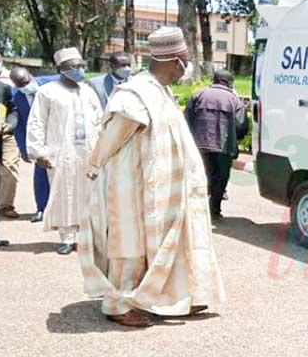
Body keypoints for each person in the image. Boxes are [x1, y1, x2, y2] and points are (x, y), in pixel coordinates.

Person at [79, 27, 225, 327]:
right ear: (176, 60)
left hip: (164, 190)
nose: (188, 65)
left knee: (169, 244)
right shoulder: (135, 94)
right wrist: (94, 171)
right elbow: (109, 141)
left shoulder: (162, 91)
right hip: (130, 187)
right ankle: (117, 305)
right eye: (186, 58)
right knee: (129, 246)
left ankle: (167, 297)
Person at [27, 47, 102, 255]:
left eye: (81, 65)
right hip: (61, 151)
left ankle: (89, 238)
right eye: (74, 66)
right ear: (62, 69)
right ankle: (67, 238)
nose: (79, 69)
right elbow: (36, 123)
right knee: (64, 193)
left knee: (91, 194)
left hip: (89, 150)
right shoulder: (48, 91)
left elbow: (100, 120)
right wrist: (38, 152)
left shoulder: (88, 91)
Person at [185, 69, 248, 220]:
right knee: (221, 177)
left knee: (198, 175)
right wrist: (236, 139)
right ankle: (214, 210)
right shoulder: (234, 100)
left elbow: (186, 119)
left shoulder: (198, 94)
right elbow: (241, 126)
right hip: (223, 146)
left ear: (213, 79)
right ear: (230, 83)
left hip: (198, 144)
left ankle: (193, 209)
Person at [9, 67, 59, 223]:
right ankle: (42, 209)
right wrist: (24, 149)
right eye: (20, 85)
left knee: (65, 175)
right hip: (39, 141)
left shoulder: (54, 82)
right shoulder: (17, 96)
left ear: (31, 76)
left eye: (26, 82)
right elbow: (20, 124)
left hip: (60, 136)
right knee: (41, 175)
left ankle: (63, 212)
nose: (24, 87)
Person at [0, 51, 21, 219]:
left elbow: (14, 111)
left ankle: (5, 205)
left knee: (10, 165)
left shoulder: (4, 88)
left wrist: (9, 124)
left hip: (4, 133)